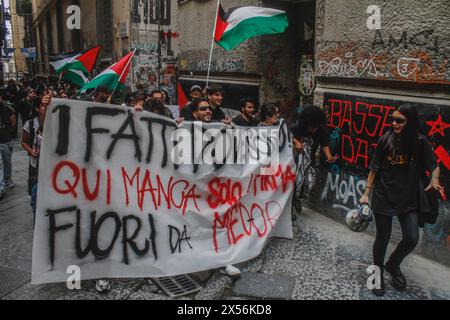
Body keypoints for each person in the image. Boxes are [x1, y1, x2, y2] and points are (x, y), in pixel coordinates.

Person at [359, 104, 443, 297]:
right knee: (383, 238)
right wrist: (366, 193)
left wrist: (435, 178)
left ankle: (393, 264)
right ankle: (377, 274)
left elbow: (434, 165)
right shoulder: (385, 140)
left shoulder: (420, 141)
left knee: (412, 237)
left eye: (399, 120)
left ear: (410, 122)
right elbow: (374, 169)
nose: (394, 123)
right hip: (384, 196)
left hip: (409, 198)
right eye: (393, 119)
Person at [21, 93, 52, 221]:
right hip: (36, 169)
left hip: (52, 168)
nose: (47, 108)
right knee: (36, 197)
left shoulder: (55, 122)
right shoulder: (30, 124)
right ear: (37, 108)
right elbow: (23, 141)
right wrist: (30, 150)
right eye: (44, 106)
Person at [0, 91, 17, 197]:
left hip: (6, 139)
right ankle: (1, 186)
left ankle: (7, 179)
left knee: (7, 161)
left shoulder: (6, 107)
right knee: (1, 163)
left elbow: (13, 118)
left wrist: (10, 130)